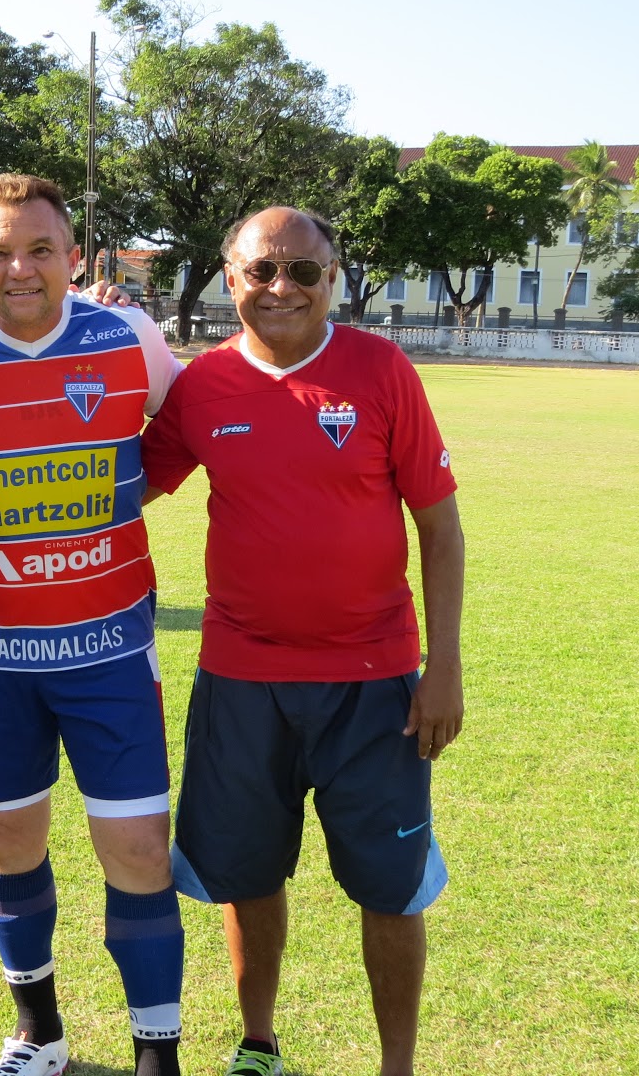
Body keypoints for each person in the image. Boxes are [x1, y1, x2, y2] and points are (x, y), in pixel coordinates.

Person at [139, 207, 465, 1076]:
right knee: (245, 875)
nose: (281, 287)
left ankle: (396, 1066)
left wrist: (443, 667)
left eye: (304, 272)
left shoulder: (381, 370)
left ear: (334, 279)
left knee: (390, 887)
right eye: (261, 271)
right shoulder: (205, 384)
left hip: (376, 682)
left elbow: (439, 526)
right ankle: (258, 1044)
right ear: (230, 277)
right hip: (242, 678)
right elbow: (127, 485)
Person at [0, 174, 186, 1076]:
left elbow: (198, 419)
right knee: (9, 845)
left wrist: (135, 493)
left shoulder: (128, 338)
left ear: (75, 257)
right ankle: (40, 1033)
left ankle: (157, 1056)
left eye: (38, 250)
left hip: (110, 652)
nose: (19, 269)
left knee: (138, 850)